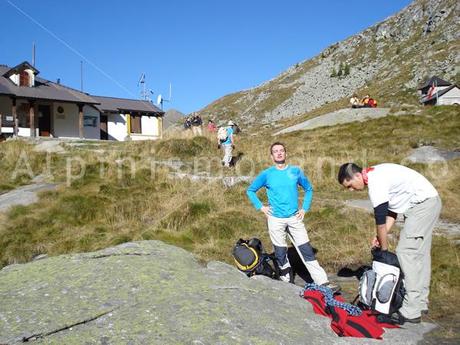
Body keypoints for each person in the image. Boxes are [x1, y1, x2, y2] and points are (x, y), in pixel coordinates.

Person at [337, 163, 441, 324]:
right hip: (428, 202)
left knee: (406, 252)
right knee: (420, 254)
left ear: (357, 176)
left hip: (422, 206)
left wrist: (384, 250)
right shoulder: (375, 174)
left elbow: (380, 222)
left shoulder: (375, 183)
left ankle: (411, 310)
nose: (351, 190)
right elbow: (392, 210)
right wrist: (380, 237)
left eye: (350, 185)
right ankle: (420, 302)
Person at [246, 142, 340, 292]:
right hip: (275, 219)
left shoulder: (296, 171)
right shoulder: (266, 174)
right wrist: (261, 207)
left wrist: (305, 209)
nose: (279, 153)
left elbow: (309, 189)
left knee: (306, 250)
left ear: (286, 153)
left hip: (294, 218)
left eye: (281, 151)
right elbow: (250, 191)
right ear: (271, 156)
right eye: (275, 151)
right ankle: (286, 280)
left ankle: (323, 282)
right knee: (280, 252)